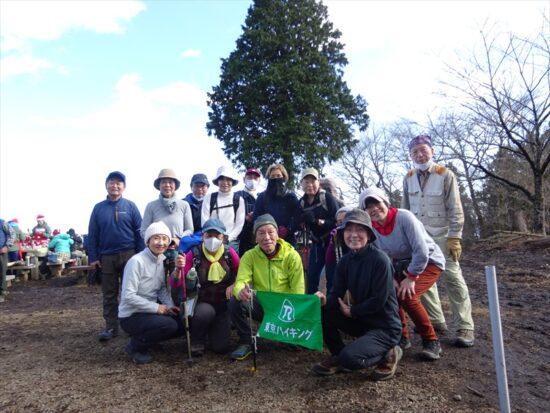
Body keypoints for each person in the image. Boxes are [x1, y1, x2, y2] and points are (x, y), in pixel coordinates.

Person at [402, 134, 475, 347]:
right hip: (419, 237)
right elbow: (405, 209)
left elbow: (455, 207)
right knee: (423, 277)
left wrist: (455, 236)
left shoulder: (445, 174)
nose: (420, 155)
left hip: (443, 235)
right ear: (411, 155)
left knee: (453, 277)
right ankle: (436, 320)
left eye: (423, 150)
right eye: (415, 152)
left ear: (432, 151)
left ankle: (465, 326)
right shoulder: (408, 177)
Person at [312, 209, 402, 381]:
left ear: (369, 234)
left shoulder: (380, 260)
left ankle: (390, 352)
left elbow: (379, 300)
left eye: (360, 229)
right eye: (348, 230)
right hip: (362, 322)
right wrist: (322, 301)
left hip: (385, 327)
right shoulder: (345, 262)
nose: (353, 235)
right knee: (323, 310)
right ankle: (338, 354)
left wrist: (353, 311)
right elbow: (336, 293)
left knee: (350, 359)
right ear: (342, 234)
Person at [360, 186, 445, 361]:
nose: (374, 209)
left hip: (428, 261)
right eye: (368, 207)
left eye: (376, 203)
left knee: (407, 296)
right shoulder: (371, 229)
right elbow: (382, 258)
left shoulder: (404, 217)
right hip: (400, 266)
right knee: (391, 294)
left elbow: (421, 251)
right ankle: (402, 336)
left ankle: (431, 340)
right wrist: (391, 278)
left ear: (385, 202)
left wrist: (411, 277)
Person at [228, 214, 305, 360]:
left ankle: (287, 333)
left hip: (284, 309)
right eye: (261, 233)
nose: (267, 237)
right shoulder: (249, 256)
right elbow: (240, 281)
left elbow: (298, 291)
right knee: (235, 301)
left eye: (271, 232)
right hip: (261, 305)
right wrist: (240, 291)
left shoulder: (292, 256)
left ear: (277, 234)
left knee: (296, 342)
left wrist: (292, 319)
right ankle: (246, 341)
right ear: (255, 238)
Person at [88, 171, 145, 342]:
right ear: (106, 185)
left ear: (124, 187)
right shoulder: (98, 208)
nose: (115, 186)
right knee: (109, 293)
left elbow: (140, 232)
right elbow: (92, 234)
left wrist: (141, 255)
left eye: (119, 183)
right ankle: (111, 326)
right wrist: (93, 257)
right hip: (107, 256)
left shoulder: (131, 206)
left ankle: (133, 326)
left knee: (133, 291)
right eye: (112, 182)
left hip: (130, 254)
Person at [170, 218, 240, 356]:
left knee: (220, 347)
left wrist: (234, 284)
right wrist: (177, 269)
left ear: (223, 237)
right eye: (209, 235)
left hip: (223, 304)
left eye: (217, 235)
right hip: (202, 302)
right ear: (203, 236)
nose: (213, 239)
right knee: (204, 313)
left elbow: (242, 273)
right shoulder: (194, 254)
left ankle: (215, 328)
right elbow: (176, 283)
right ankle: (197, 339)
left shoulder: (229, 253)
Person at [119, 221, 184, 364]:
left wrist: (169, 306)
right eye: (156, 238)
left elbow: (161, 289)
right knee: (169, 325)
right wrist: (157, 307)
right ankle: (136, 346)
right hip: (132, 315)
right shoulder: (136, 262)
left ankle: (150, 340)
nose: (161, 243)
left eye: (164, 238)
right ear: (148, 241)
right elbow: (128, 296)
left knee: (182, 322)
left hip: (149, 312)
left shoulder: (160, 259)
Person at [294, 167, 340, 294]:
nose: (310, 185)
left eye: (313, 181)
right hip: (315, 244)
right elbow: (297, 222)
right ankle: (311, 303)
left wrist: (317, 221)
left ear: (318, 182)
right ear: (302, 184)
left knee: (332, 277)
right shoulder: (302, 202)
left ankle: (332, 303)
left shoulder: (327, 198)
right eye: (306, 182)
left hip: (332, 243)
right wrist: (300, 222)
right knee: (311, 277)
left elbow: (336, 222)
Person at [141, 168, 194, 271]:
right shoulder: (151, 206)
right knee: (156, 280)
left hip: (177, 251)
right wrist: (157, 242)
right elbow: (143, 230)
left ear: (175, 185)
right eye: (164, 182)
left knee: (176, 278)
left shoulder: (184, 205)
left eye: (170, 182)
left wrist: (178, 239)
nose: (167, 185)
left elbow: (189, 229)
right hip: (156, 253)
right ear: (159, 185)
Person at [201, 165, 245, 254]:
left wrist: (227, 238)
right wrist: (213, 237)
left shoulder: (239, 200)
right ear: (217, 181)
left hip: (231, 240)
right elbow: (204, 221)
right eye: (222, 179)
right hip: (211, 238)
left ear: (232, 181)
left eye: (228, 179)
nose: (225, 183)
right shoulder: (209, 198)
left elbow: (239, 224)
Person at [253, 163, 299, 245]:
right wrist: (265, 231)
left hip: (288, 239)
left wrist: (288, 229)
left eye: (278, 176)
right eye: (273, 176)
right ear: (269, 178)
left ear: (284, 177)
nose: (275, 178)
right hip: (267, 239)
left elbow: (297, 216)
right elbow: (256, 217)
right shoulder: (262, 197)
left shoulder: (291, 196)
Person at [323, 206, 352, 294]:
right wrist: (334, 241)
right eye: (339, 222)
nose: (342, 224)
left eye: (345, 220)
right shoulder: (335, 235)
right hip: (334, 263)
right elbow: (330, 259)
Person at [236, 167, 262, 256]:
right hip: (240, 239)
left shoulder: (262, 197)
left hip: (257, 238)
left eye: (255, 178)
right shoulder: (236, 196)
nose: (252, 180)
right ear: (244, 179)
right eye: (249, 177)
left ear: (259, 181)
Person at [0, 218, 15, 303]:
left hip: (1, 251)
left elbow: (12, 233)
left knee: (1, 271)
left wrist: (7, 246)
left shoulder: (2, 223)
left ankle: (2, 293)